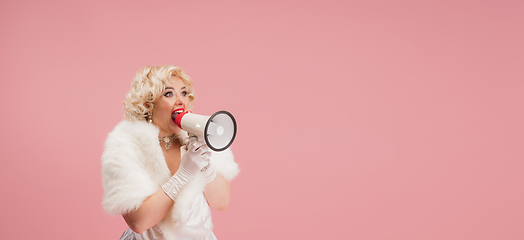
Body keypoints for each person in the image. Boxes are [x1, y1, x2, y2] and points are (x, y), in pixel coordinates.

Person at [101, 65, 240, 240]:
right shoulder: (125, 147)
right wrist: (184, 174)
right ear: (148, 104)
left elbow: (222, 203)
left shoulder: (200, 136)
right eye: (169, 94)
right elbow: (138, 222)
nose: (181, 101)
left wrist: (205, 166)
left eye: (183, 93)